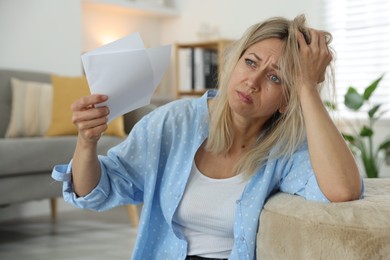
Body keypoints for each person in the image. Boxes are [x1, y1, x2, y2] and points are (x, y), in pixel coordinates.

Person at [52, 14, 363, 260]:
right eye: (250, 62)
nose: (252, 82)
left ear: (287, 100)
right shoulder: (173, 122)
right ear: (234, 61)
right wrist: (86, 141)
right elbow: (95, 192)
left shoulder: (285, 150)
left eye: (275, 77)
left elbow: (343, 189)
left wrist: (307, 86)